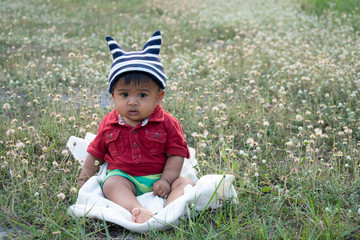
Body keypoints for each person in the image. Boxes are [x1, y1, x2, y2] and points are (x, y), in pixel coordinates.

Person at [78, 31, 195, 224]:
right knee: (111, 184)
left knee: (185, 183)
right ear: (113, 96)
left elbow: (176, 154)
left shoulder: (167, 122)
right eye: (124, 95)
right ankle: (137, 209)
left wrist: (166, 180)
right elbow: (96, 153)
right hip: (125, 177)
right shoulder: (109, 123)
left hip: (160, 174)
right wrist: (84, 180)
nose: (132, 102)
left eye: (142, 95)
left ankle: (169, 212)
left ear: (159, 97)